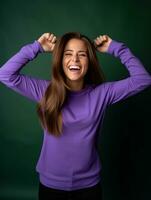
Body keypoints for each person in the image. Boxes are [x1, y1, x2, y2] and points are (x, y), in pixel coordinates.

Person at [0, 32, 151, 200]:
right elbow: (5, 74)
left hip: (89, 187)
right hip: (51, 186)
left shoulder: (102, 93)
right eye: (68, 54)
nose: (75, 60)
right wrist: (36, 47)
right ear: (60, 60)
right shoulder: (46, 91)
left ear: (90, 61)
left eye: (82, 55)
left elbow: (143, 79)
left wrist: (117, 48)